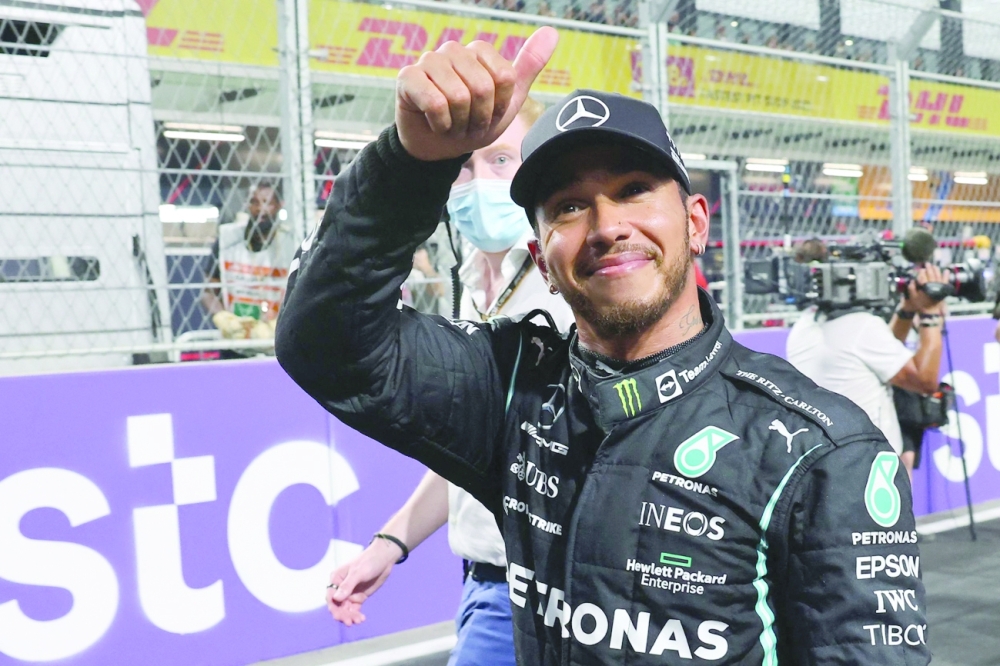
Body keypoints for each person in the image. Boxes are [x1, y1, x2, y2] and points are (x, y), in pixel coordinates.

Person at [277, 28, 928, 664]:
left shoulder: (822, 449)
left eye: (634, 190)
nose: (607, 225)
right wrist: (412, 162)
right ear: (541, 256)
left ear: (695, 222)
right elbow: (323, 344)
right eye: (567, 206)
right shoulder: (512, 390)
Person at [326, 98, 573, 666]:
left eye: (503, 160)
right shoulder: (466, 283)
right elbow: (474, 445)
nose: (481, 180)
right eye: (465, 165)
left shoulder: (567, 285)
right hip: (485, 582)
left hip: (549, 591)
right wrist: (391, 543)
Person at [786, 238, 948, 477]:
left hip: (827, 462)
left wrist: (906, 310)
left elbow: (884, 355)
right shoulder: (862, 327)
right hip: (866, 468)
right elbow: (925, 382)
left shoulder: (805, 324)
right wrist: (930, 314)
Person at [201, 183, 297, 342]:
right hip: (236, 341)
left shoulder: (292, 243)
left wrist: (283, 322)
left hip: (279, 342)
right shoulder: (227, 241)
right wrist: (223, 318)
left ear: (279, 206)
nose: (260, 209)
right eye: (254, 202)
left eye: (267, 202)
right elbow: (208, 292)